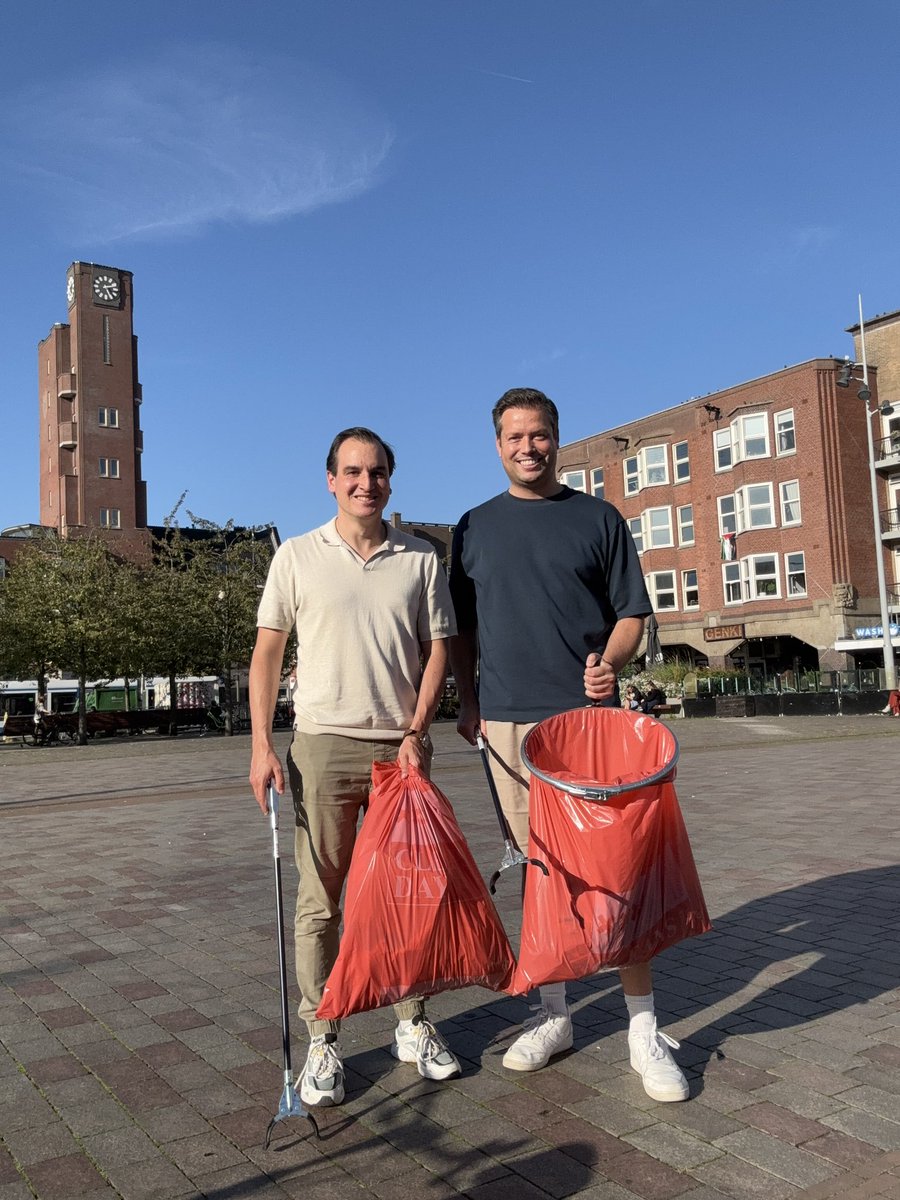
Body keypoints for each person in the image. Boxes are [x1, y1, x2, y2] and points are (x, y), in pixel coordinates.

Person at [449, 387, 689, 1103]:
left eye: (540, 435)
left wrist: (609, 663)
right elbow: (461, 631)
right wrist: (468, 700)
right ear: (497, 445)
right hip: (507, 724)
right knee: (541, 870)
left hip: (587, 723)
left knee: (617, 872)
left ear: (558, 439)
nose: (528, 446)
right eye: (515, 436)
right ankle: (554, 1014)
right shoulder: (472, 528)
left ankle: (645, 1028)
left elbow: (632, 616)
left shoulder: (599, 519)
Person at [248, 427, 461, 1108]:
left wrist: (417, 729)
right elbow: (267, 654)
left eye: (376, 472)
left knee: (406, 897)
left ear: (390, 481)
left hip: (399, 750)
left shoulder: (421, 559)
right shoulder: (296, 556)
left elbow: (438, 652)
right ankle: (323, 1040)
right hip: (322, 746)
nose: (364, 483)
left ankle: (413, 1023)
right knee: (321, 903)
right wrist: (259, 743)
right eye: (351, 472)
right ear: (331, 480)